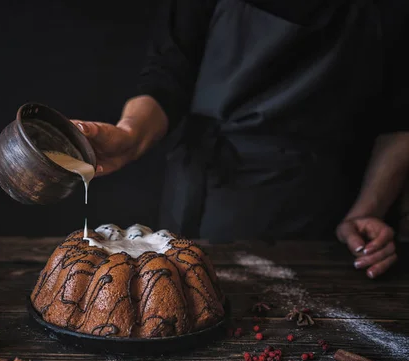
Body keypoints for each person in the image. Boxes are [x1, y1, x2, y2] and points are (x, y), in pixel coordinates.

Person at [71, 0, 409, 279]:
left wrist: (367, 211)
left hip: (321, 207)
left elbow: (400, 121)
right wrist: (131, 135)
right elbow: (167, 77)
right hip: (209, 180)